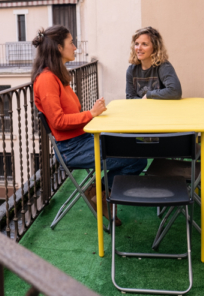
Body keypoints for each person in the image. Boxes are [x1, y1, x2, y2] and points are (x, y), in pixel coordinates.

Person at [32, 25, 147, 226]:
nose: (75, 47)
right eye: (71, 43)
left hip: (82, 139)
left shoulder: (58, 76)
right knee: (136, 158)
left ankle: (98, 191)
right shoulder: (46, 80)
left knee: (135, 149)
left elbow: (72, 115)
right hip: (72, 149)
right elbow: (58, 122)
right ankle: (100, 192)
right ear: (59, 48)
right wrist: (91, 114)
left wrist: (92, 114)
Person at [126, 27, 182, 100]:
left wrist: (149, 95)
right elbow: (130, 98)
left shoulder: (163, 66)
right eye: (136, 44)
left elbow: (175, 91)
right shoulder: (131, 70)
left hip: (161, 110)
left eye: (144, 44)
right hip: (141, 110)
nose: (139, 48)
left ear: (155, 47)